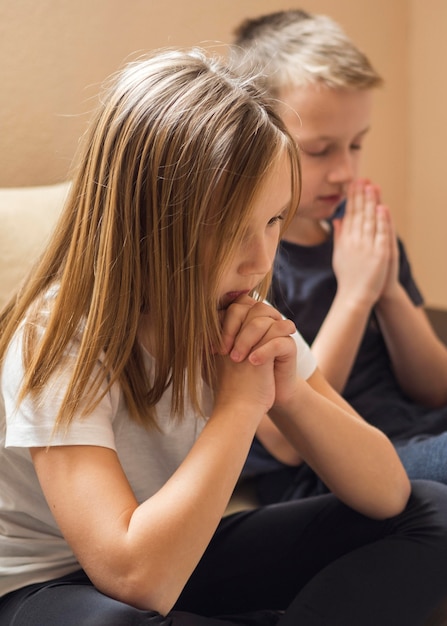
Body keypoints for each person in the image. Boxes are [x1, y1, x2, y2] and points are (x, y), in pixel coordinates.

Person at [1, 48, 447, 626]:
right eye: (233, 231)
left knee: (428, 511)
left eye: (274, 222)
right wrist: (239, 406)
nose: (261, 260)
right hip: (50, 582)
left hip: (182, 551)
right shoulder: (59, 336)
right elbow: (134, 578)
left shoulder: (237, 307)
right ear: (149, 224)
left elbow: (387, 493)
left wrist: (291, 391)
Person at [230, 9, 447, 505]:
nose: (345, 171)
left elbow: (434, 389)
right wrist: (354, 296)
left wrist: (386, 290)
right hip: (333, 467)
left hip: (417, 430)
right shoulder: (247, 262)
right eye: (320, 150)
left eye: (356, 144)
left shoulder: (358, 228)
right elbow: (284, 441)